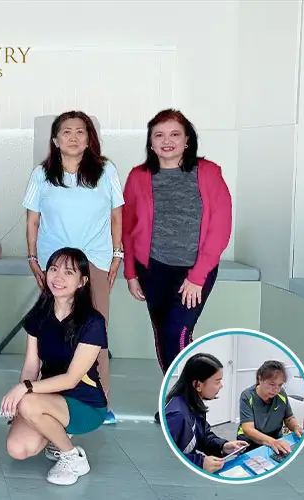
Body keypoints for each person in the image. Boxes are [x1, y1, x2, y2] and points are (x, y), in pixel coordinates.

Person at [121, 109, 233, 422]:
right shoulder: (138, 176)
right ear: (151, 143)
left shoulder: (208, 173)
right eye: (159, 135)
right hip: (152, 269)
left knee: (178, 330)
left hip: (195, 271)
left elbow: (220, 228)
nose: (166, 141)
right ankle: (180, 401)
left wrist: (197, 277)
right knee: (163, 334)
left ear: (187, 141)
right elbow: (128, 229)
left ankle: (185, 402)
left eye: (174, 135)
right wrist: (131, 273)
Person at [22, 111, 123, 425]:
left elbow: (116, 215)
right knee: (51, 329)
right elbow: (33, 220)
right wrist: (33, 259)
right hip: (55, 263)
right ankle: (42, 394)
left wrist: (117, 255)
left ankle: (101, 401)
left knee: (95, 330)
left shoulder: (106, 170)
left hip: (94, 260)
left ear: (89, 137)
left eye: (81, 131)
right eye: (66, 132)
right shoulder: (42, 174)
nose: (74, 137)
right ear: (55, 139)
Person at [1, 247, 109, 486]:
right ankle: (55, 434)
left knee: (28, 400)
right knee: (18, 448)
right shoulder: (39, 314)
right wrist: (23, 390)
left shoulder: (92, 322)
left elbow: (71, 379)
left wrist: (24, 390)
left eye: (68, 272)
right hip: (47, 396)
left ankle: (71, 456)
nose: (58, 277)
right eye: (53, 269)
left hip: (85, 402)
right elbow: (31, 364)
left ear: (82, 281)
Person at [163, 353, 247, 474]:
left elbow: (203, 436)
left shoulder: (194, 404)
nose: (221, 385)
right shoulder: (176, 415)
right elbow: (165, 459)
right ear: (198, 385)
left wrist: (223, 446)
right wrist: (199, 462)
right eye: (217, 381)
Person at [237, 360, 304, 453]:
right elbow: (248, 429)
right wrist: (272, 442)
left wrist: (296, 427)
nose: (276, 389)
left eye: (280, 385)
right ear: (260, 379)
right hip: (251, 444)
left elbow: (289, 418)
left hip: (275, 440)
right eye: (272, 384)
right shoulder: (247, 396)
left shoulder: (281, 394)